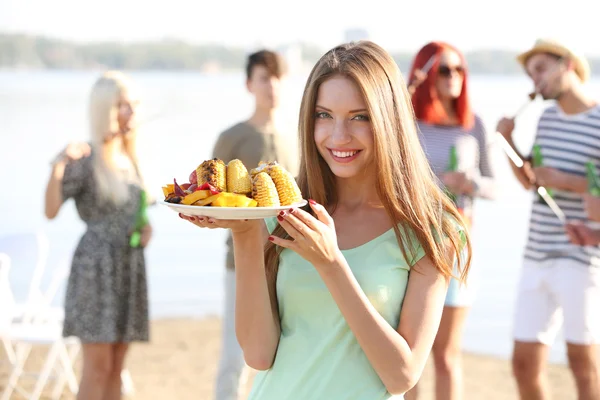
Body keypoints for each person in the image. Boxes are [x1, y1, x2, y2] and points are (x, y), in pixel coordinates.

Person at [181, 40, 471, 399]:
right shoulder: (284, 215)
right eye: (324, 115)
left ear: (389, 119)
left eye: (359, 117)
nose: (338, 136)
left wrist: (332, 263)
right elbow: (258, 354)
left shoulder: (431, 230)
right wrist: (244, 232)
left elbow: (402, 375)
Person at [496, 38, 600, 400]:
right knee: (523, 365)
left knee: (582, 364)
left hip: (581, 256)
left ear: (566, 64)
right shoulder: (546, 118)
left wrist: (566, 180)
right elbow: (533, 183)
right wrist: (509, 145)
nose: (534, 81)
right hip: (536, 252)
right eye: (529, 73)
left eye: (540, 69)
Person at [44, 71, 150, 400]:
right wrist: (58, 165)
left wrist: (145, 229)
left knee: (118, 366)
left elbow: (133, 210)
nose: (131, 112)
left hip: (128, 266)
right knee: (98, 366)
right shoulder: (86, 158)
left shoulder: (130, 157)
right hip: (96, 269)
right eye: (122, 105)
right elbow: (50, 210)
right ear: (104, 109)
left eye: (133, 105)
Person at [405, 41, 497, 400]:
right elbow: (395, 182)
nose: (454, 77)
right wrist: (442, 183)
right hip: (413, 242)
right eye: (444, 70)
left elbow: (494, 187)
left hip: (459, 248)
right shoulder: (409, 126)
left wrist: (470, 182)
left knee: (446, 354)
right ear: (426, 75)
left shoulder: (474, 126)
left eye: (459, 69)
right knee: (411, 350)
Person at [210, 49, 296, 400]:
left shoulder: (297, 138)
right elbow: (213, 195)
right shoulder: (232, 137)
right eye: (264, 78)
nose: (272, 86)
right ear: (249, 84)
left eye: (277, 78)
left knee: (278, 352)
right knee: (235, 356)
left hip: (290, 260)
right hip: (241, 260)